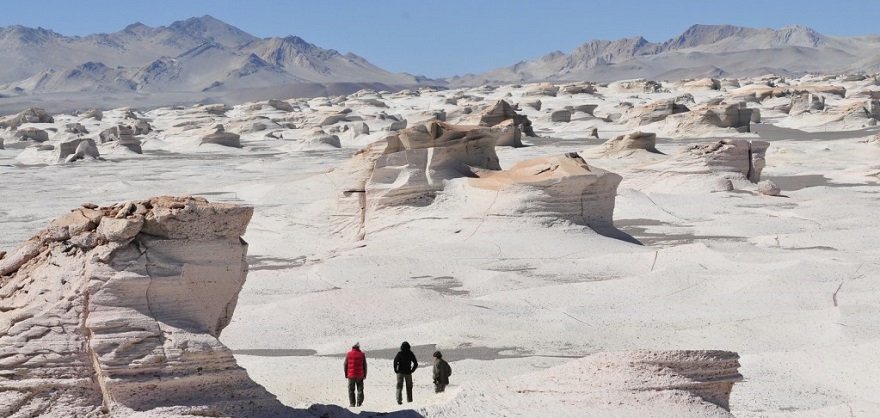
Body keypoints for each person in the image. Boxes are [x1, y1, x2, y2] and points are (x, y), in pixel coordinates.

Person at [344, 342, 367, 407]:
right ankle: (359, 403)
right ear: (358, 347)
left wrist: (346, 373)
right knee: (360, 389)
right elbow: (364, 365)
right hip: (360, 375)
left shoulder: (349, 354)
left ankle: (352, 403)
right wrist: (365, 374)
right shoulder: (362, 354)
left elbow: (345, 364)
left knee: (351, 389)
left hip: (351, 375)